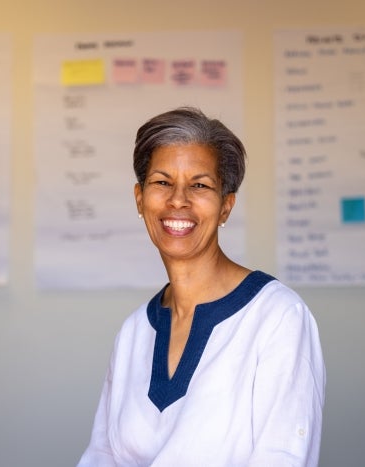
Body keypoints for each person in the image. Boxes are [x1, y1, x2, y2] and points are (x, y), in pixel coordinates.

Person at [78, 107, 325, 466]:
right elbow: (103, 457)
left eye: (200, 185)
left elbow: (283, 457)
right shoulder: (134, 332)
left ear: (226, 206)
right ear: (139, 198)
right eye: (162, 182)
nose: (178, 200)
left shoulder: (278, 318)